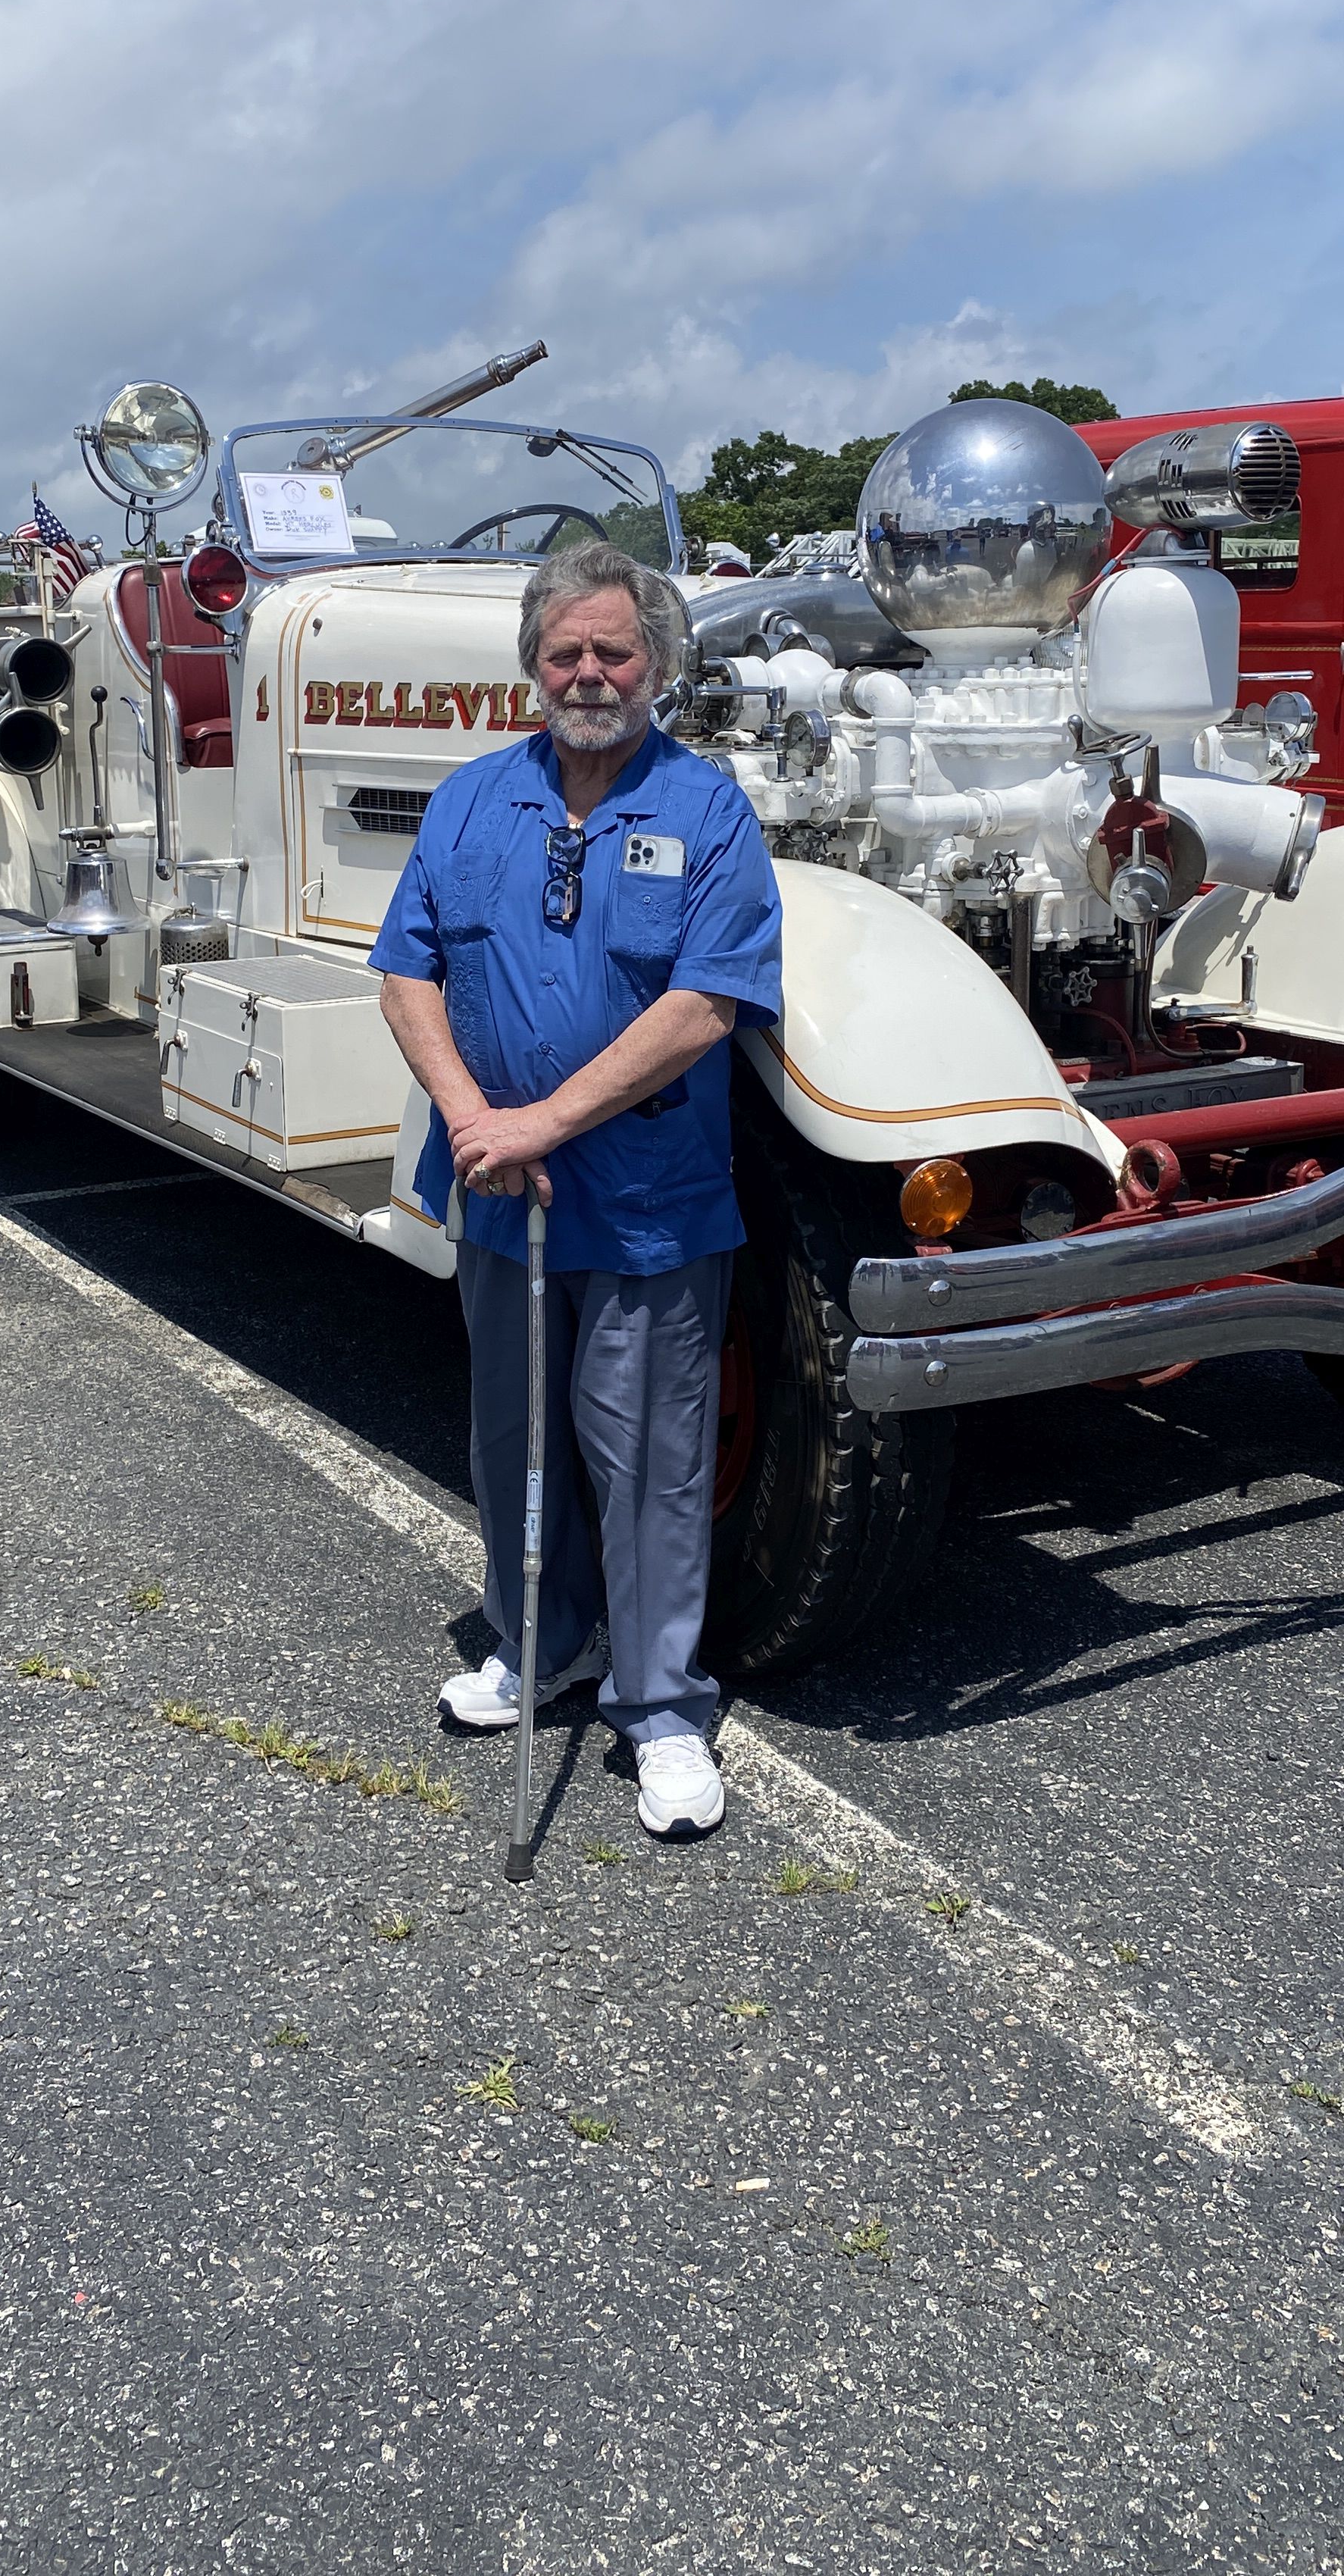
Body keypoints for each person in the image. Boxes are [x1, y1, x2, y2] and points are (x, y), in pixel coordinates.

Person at [372, 540, 783, 1840]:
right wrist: (473, 1121)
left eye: (615, 650)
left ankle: (661, 1706)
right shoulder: (470, 803)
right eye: (567, 652)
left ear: (656, 664)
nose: (590, 673)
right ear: (532, 667)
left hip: (651, 1199)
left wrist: (544, 1116)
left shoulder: (707, 810)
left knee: (654, 1459)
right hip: (501, 1187)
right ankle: (533, 1642)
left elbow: (709, 1004)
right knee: (513, 1438)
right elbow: (407, 971)